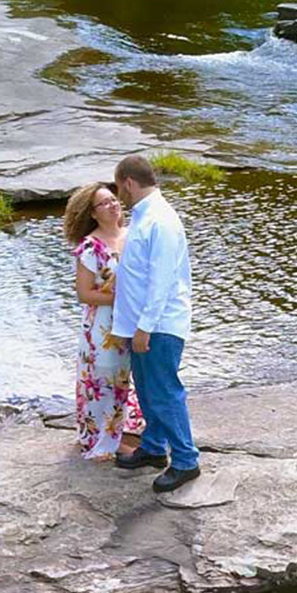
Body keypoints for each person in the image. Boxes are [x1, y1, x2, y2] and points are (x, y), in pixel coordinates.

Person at [109, 153, 199, 493]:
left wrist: (144, 328)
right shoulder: (144, 217)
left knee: (164, 392)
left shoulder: (160, 220)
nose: (120, 195)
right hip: (140, 325)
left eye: (119, 188)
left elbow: (161, 281)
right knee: (147, 389)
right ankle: (153, 447)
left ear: (129, 183)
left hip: (159, 324)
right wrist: (127, 329)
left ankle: (186, 461)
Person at [62, 181, 145, 461]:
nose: (113, 205)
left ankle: (127, 427)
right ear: (93, 213)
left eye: (114, 199)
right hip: (103, 327)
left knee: (130, 375)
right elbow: (84, 294)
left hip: (135, 320)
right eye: (104, 203)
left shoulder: (134, 234)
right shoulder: (91, 247)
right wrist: (122, 297)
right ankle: (106, 439)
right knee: (105, 376)